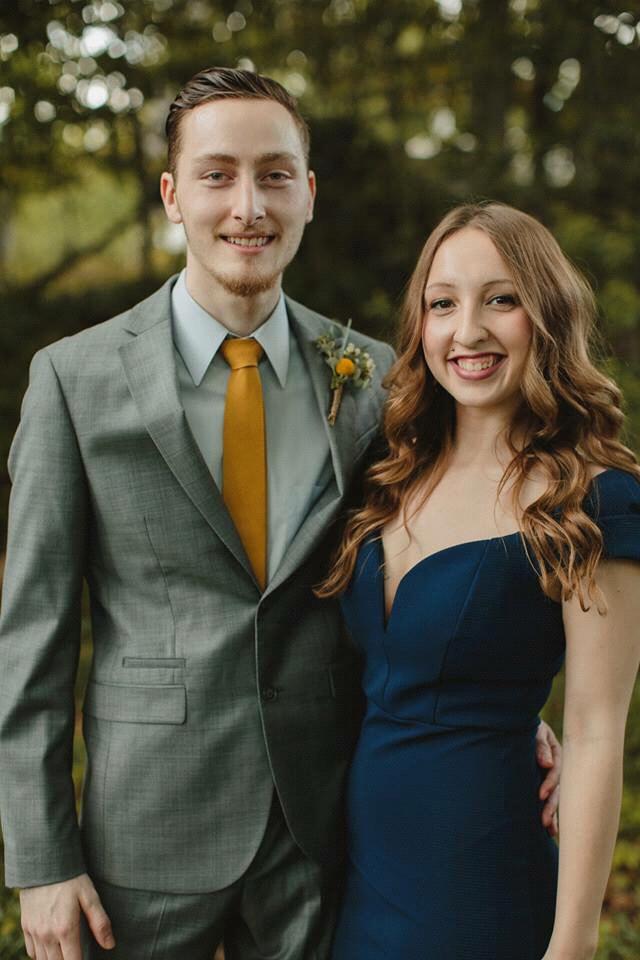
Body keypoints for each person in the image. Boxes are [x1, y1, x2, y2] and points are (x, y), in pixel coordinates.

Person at [0, 71, 560, 960]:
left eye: (274, 175)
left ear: (309, 193)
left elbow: (431, 556)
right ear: (173, 195)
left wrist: (505, 710)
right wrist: (41, 859)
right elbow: (32, 639)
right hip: (143, 835)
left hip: (324, 827)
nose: (248, 206)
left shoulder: (377, 380)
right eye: (217, 175)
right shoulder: (75, 381)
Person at [319, 201, 640, 960]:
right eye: (443, 304)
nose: (467, 331)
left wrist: (572, 944)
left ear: (547, 315)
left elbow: (597, 732)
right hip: (361, 881)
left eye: (501, 299)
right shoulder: (390, 470)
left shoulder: (594, 499)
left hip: (481, 883)